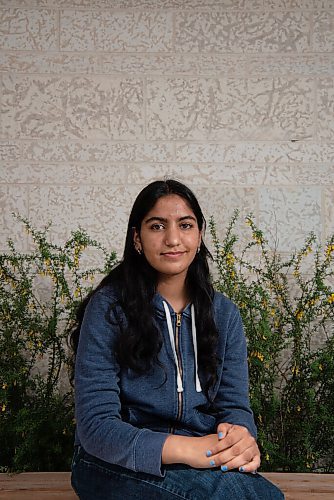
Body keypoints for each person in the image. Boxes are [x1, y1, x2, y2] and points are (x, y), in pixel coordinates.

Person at [70, 179, 284, 499]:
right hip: (112, 462)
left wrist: (240, 436)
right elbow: (96, 426)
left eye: (185, 225)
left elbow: (234, 407)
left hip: (199, 461)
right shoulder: (109, 309)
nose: (172, 239)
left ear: (199, 235)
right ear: (137, 239)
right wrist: (189, 448)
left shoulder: (224, 315)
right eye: (157, 226)